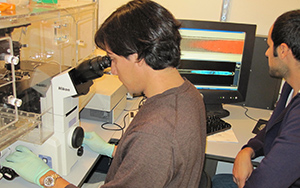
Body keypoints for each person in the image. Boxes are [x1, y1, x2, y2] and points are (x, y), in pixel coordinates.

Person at [1, 0, 207, 187]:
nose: (113, 70)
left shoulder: (154, 135)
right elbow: (159, 164)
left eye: (113, 58)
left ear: (137, 56)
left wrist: (46, 177)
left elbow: (154, 149)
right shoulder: (189, 94)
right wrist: (113, 151)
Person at [212, 9, 300, 188]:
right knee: (218, 180)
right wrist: (248, 150)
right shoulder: (291, 86)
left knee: (217, 182)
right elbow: (273, 126)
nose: (267, 53)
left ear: (283, 50)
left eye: (269, 46)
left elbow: (267, 182)